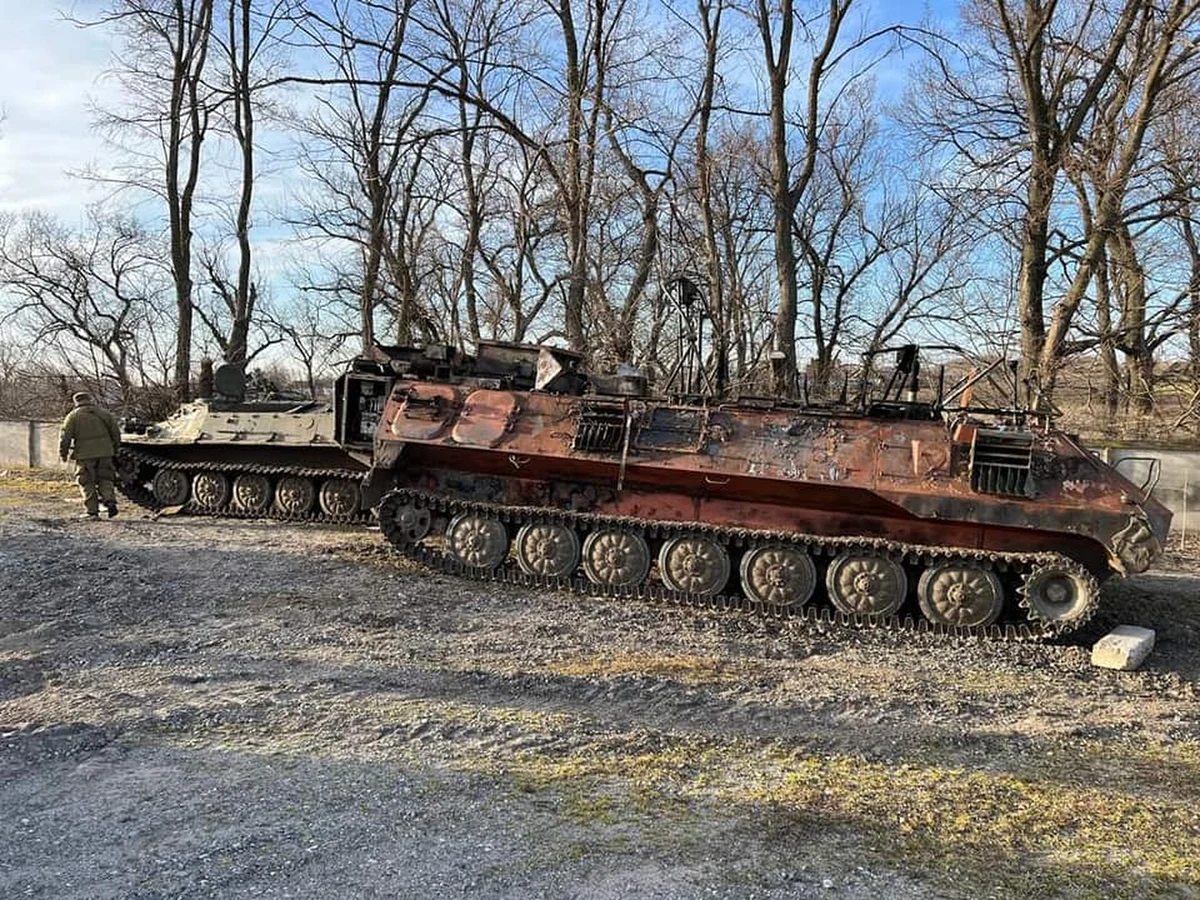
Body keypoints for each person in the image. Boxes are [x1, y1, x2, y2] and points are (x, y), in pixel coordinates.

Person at [59, 391, 121, 520]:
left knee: (86, 482)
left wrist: (63, 453)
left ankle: (92, 512)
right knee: (105, 479)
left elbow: (65, 438)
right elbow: (116, 433)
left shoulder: (73, 416)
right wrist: (115, 449)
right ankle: (110, 501)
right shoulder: (104, 414)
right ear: (90, 399)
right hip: (105, 453)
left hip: (84, 455)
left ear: (76, 402)